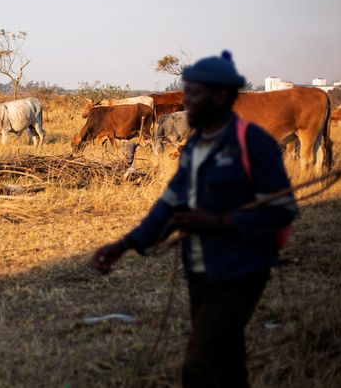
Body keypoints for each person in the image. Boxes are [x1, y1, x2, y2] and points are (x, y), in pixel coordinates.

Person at [91, 51, 298, 388]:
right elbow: (170, 204)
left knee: (199, 368)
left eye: (194, 93)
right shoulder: (197, 146)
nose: (186, 100)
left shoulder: (253, 142)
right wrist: (125, 244)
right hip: (200, 267)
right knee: (228, 360)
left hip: (240, 269)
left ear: (219, 96)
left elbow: (282, 209)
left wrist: (220, 223)